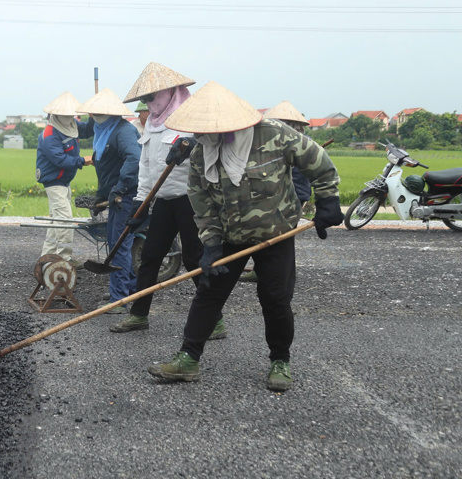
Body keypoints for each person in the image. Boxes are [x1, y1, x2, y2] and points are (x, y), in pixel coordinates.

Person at [147, 82, 343, 391]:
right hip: (228, 236)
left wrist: (328, 201)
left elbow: (319, 163)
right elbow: (202, 203)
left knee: (275, 298)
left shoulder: (275, 134)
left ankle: (280, 361)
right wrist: (210, 243)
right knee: (208, 292)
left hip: (275, 234)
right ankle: (188, 360)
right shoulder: (201, 152)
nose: (203, 134)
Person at [110, 63, 224, 339]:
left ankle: (215, 320)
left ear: (170, 92)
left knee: (194, 258)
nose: (149, 103)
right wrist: (140, 204)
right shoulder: (151, 122)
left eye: (151, 97)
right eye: (145, 99)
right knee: (149, 257)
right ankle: (139, 315)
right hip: (162, 200)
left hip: (190, 200)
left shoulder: (191, 117)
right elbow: (146, 167)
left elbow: (213, 152)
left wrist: (193, 147)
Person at [75, 88, 141, 312]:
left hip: (125, 195)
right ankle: (128, 289)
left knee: (119, 244)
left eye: (94, 113)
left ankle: (119, 299)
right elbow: (82, 131)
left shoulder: (123, 132)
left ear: (106, 114)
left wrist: (121, 187)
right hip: (114, 194)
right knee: (117, 242)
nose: (91, 117)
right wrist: (101, 195)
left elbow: (134, 158)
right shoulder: (101, 128)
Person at [240, 101, 313, 283]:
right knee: (275, 241)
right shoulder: (282, 142)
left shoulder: (296, 143)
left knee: (281, 244)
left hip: (291, 198)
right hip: (284, 197)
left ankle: (280, 279)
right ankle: (269, 274)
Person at [36, 91, 94, 265]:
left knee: (56, 221)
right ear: (57, 114)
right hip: (54, 182)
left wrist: (92, 116)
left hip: (63, 181)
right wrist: (83, 160)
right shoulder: (49, 134)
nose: (72, 117)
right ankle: (63, 260)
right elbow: (60, 160)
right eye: (68, 114)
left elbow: (87, 130)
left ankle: (47, 257)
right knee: (65, 221)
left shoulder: (70, 124)